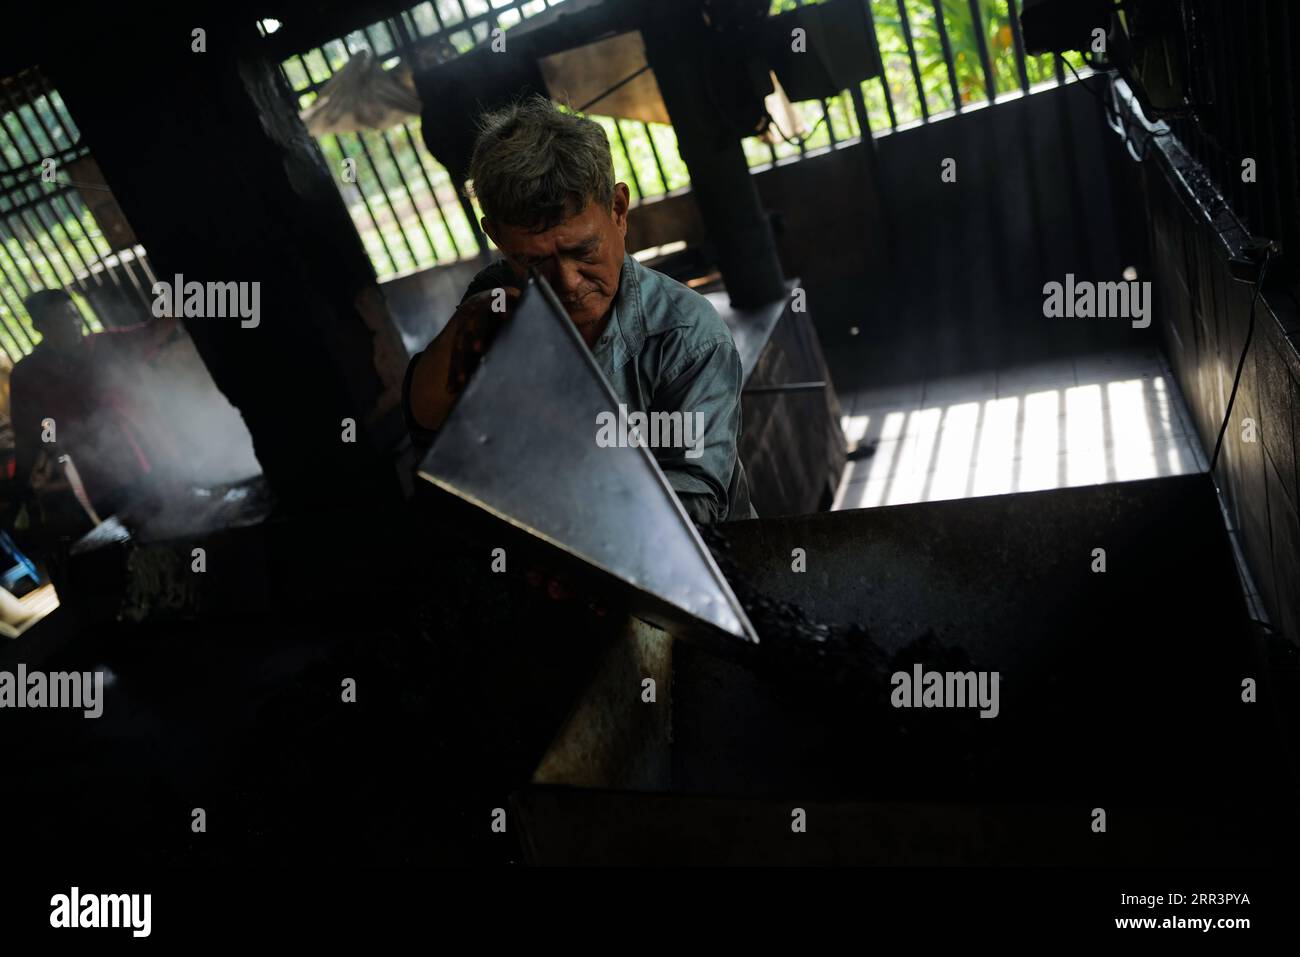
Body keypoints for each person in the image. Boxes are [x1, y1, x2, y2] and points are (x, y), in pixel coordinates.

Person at [403, 95, 755, 523]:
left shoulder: (688, 338)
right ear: (497, 238)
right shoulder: (496, 296)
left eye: (583, 250)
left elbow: (696, 502)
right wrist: (472, 319)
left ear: (619, 211)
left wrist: (557, 523)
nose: (566, 282)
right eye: (534, 261)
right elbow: (428, 420)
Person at [9, 289, 182, 519]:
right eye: (59, 319)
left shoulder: (106, 345)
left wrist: (186, 295)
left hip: (155, 461)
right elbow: (28, 436)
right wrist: (18, 488)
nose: (72, 323)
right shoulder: (27, 375)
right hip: (102, 481)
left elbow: (153, 332)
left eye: (73, 315)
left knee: (181, 522)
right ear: (38, 326)